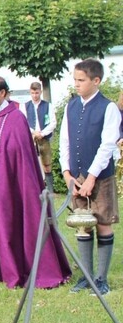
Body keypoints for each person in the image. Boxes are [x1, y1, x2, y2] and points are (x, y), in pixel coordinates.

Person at [0, 76, 71, 288]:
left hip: (7, 183)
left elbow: (18, 153)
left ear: (3, 93)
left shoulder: (16, 118)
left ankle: (9, 267)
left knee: (6, 222)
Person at [60, 59, 120, 296]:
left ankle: (101, 279)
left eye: (81, 80)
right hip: (76, 176)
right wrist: (67, 174)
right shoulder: (71, 106)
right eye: (74, 79)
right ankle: (85, 277)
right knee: (82, 225)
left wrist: (92, 177)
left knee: (103, 224)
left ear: (96, 81)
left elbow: (107, 145)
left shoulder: (109, 108)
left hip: (101, 177)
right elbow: (64, 141)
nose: (76, 84)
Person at [19, 82, 57, 192]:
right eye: (32, 93)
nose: (35, 95)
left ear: (40, 91)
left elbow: (53, 122)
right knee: (31, 163)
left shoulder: (48, 105)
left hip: (43, 137)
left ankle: (50, 190)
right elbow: (24, 121)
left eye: (36, 92)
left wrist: (42, 133)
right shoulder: (25, 106)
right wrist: (33, 133)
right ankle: (33, 189)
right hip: (30, 137)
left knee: (47, 164)